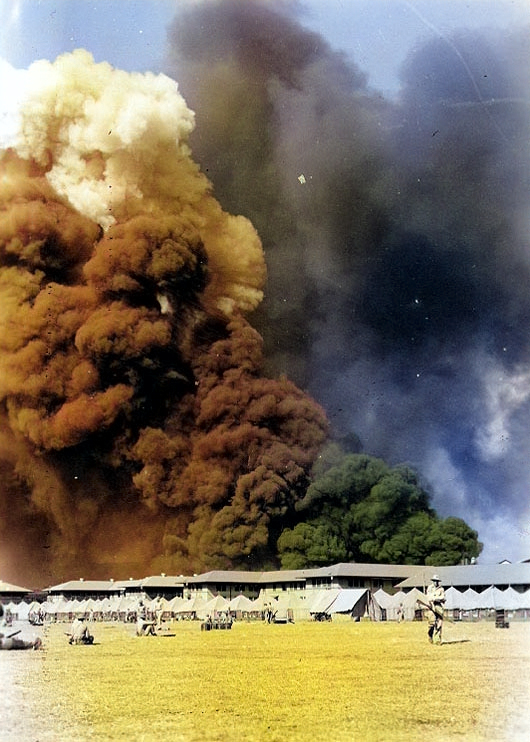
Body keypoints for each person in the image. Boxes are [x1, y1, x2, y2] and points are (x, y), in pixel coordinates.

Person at [425, 575, 446, 644]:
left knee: (439, 623)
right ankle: (430, 636)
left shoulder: (441, 589)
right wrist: (435, 598)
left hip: (439, 606)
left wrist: (436, 598)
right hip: (431, 606)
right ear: (432, 581)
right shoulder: (429, 588)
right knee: (432, 623)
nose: (436, 582)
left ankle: (437, 640)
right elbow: (428, 597)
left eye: (437, 581)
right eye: (434, 581)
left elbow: (443, 597)